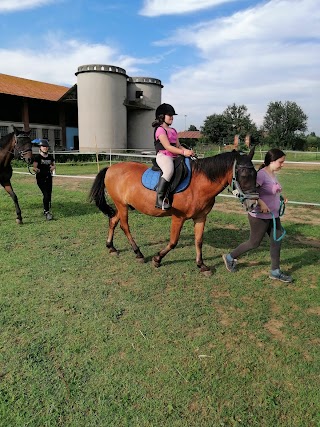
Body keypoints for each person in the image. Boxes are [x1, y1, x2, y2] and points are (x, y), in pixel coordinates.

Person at [222, 148, 293, 283]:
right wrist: (261, 203)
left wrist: (281, 198)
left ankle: (275, 271)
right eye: (280, 162)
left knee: (277, 241)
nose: (282, 164)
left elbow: (271, 191)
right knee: (254, 243)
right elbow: (250, 192)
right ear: (272, 161)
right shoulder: (261, 175)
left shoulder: (272, 174)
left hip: (273, 215)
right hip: (259, 216)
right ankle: (230, 257)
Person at [152, 103, 194, 210]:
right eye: (169, 115)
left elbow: (178, 146)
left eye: (172, 115)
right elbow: (167, 147)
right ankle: (160, 199)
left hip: (175, 156)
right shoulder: (160, 130)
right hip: (164, 156)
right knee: (169, 171)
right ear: (162, 116)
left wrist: (187, 151)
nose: (172, 117)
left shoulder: (174, 131)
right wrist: (183, 153)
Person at [33, 139, 55, 220]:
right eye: (43, 146)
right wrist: (37, 170)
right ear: (40, 147)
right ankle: (46, 212)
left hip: (49, 178)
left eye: (46, 146)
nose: (45, 148)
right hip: (41, 179)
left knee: (49, 195)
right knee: (45, 194)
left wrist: (53, 167)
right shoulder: (37, 157)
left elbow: (53, 165)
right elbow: (34, 167)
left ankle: (46, 208)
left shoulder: (50, 157)